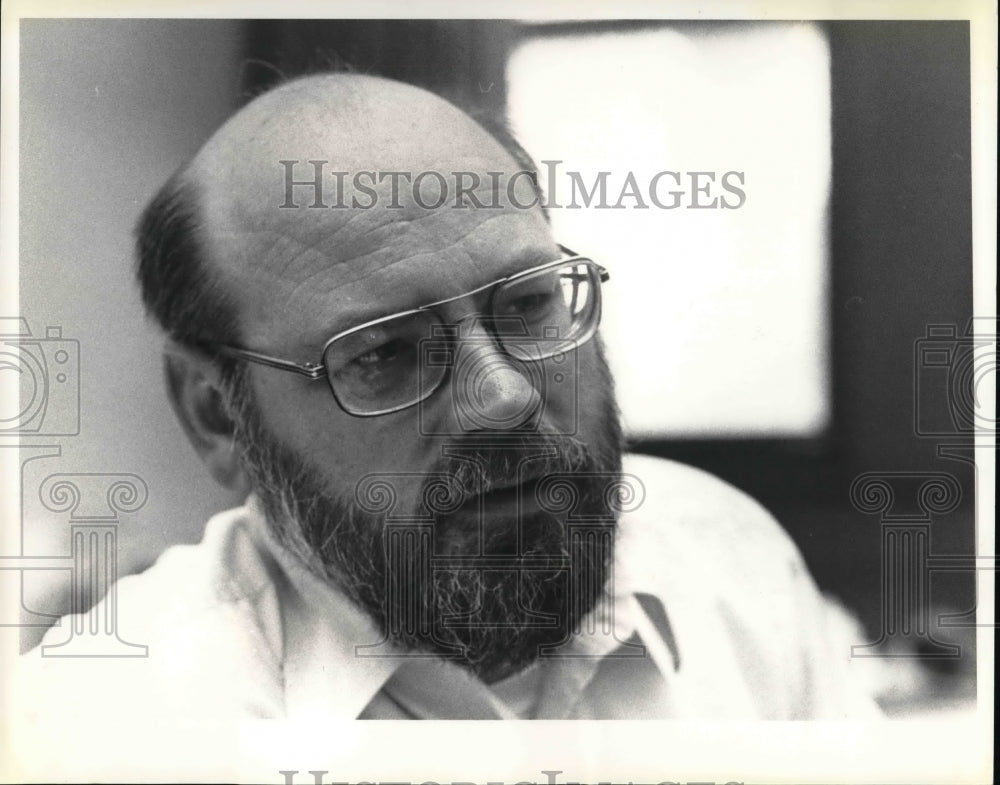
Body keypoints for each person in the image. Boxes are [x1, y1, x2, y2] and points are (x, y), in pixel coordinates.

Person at [19, 73, 874, 720]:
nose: (502, 395)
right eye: (384, 353)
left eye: (531, 302)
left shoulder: (734, 564)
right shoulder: (99, 724)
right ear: (217, 416)